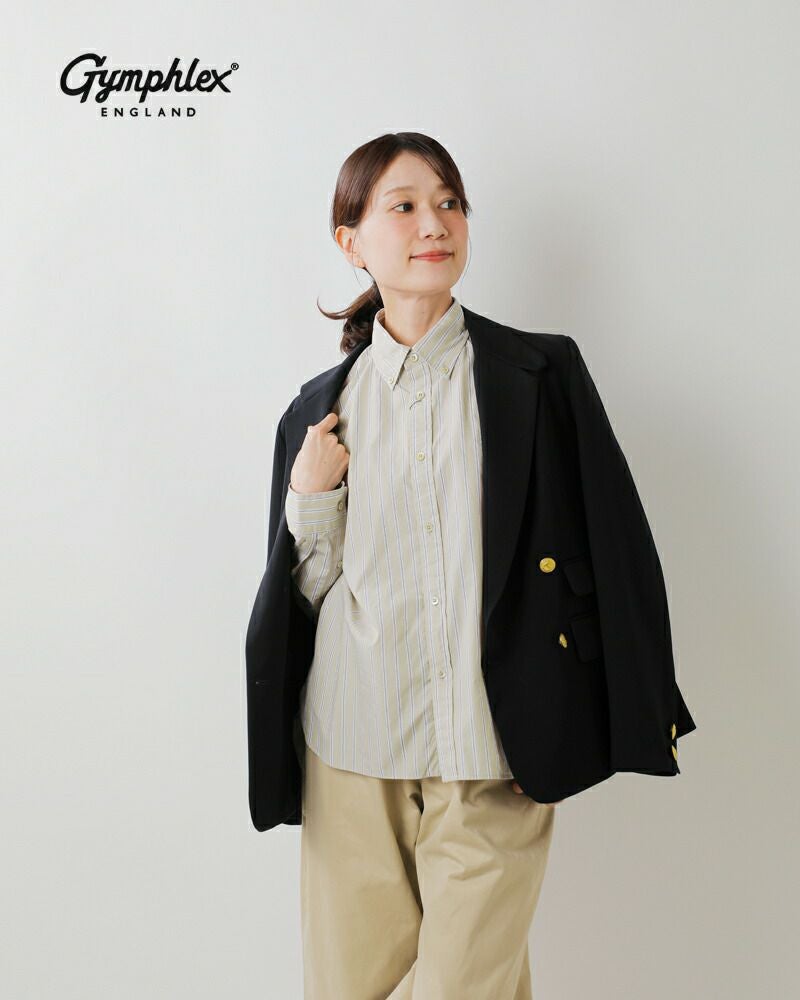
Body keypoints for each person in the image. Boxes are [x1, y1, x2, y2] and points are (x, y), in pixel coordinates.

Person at [244, 131, 697, 999]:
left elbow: (617, 545)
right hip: (351, 744)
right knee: (351, 988)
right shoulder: (318, 412)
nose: (435, 224)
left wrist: (617, 707)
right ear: (351, 241)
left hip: (496, 745)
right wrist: (310, 497)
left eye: (449, 203)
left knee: (462, 986)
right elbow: (305, 595)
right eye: (406, 206)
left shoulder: (540, 374)